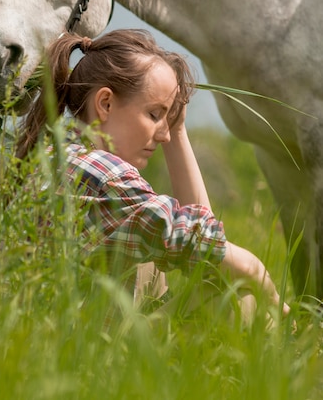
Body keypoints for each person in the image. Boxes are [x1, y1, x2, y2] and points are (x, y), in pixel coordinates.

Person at [16, 29, 290, 320]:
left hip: (61, 335)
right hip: (80, 349)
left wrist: (177, 126)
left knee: (154, 259)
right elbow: (207, 249)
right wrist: (264, 281)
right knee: (237, 296)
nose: (165, 136)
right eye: (154, 115)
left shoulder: (57, 156)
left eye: (168, 118)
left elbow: (203, 242)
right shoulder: (106, 175)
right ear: (105, 104)